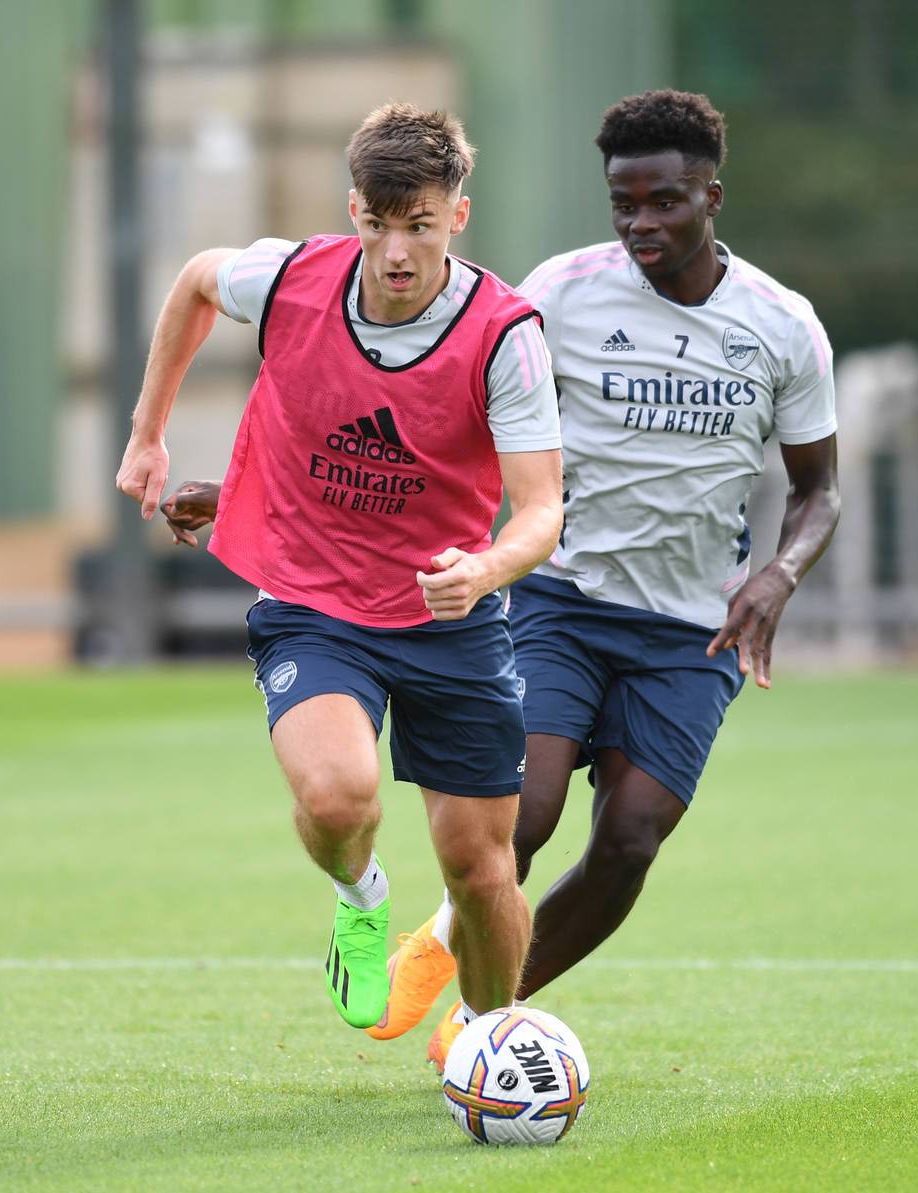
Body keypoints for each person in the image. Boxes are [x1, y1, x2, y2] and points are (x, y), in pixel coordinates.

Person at [367, 88, 840, 1069]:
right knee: (523, 813)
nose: (640, 224)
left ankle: (487, 1017)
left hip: (691, 628)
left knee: (628, 835)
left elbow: (818, 490)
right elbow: (454, 396)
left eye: (663, 202)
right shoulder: (562, 292)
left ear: (712, 194)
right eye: (622, 203)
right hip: (559, 601)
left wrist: (780, 576)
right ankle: (456, 954)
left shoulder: (782, 325)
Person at [116, 103, 564, 1032]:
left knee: (481, 871)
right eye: (376, 222)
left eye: (420, 226)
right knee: (335, 794)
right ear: (353, 207)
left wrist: (483, 571)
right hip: (314, 603)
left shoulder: (503, 333)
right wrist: (148, 433)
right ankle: (361, 898)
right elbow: (198, 283)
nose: (396, 251)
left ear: (458, 217)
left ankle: (486, 1043)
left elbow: (541, 511)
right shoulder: (291, 279)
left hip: (450, 616)